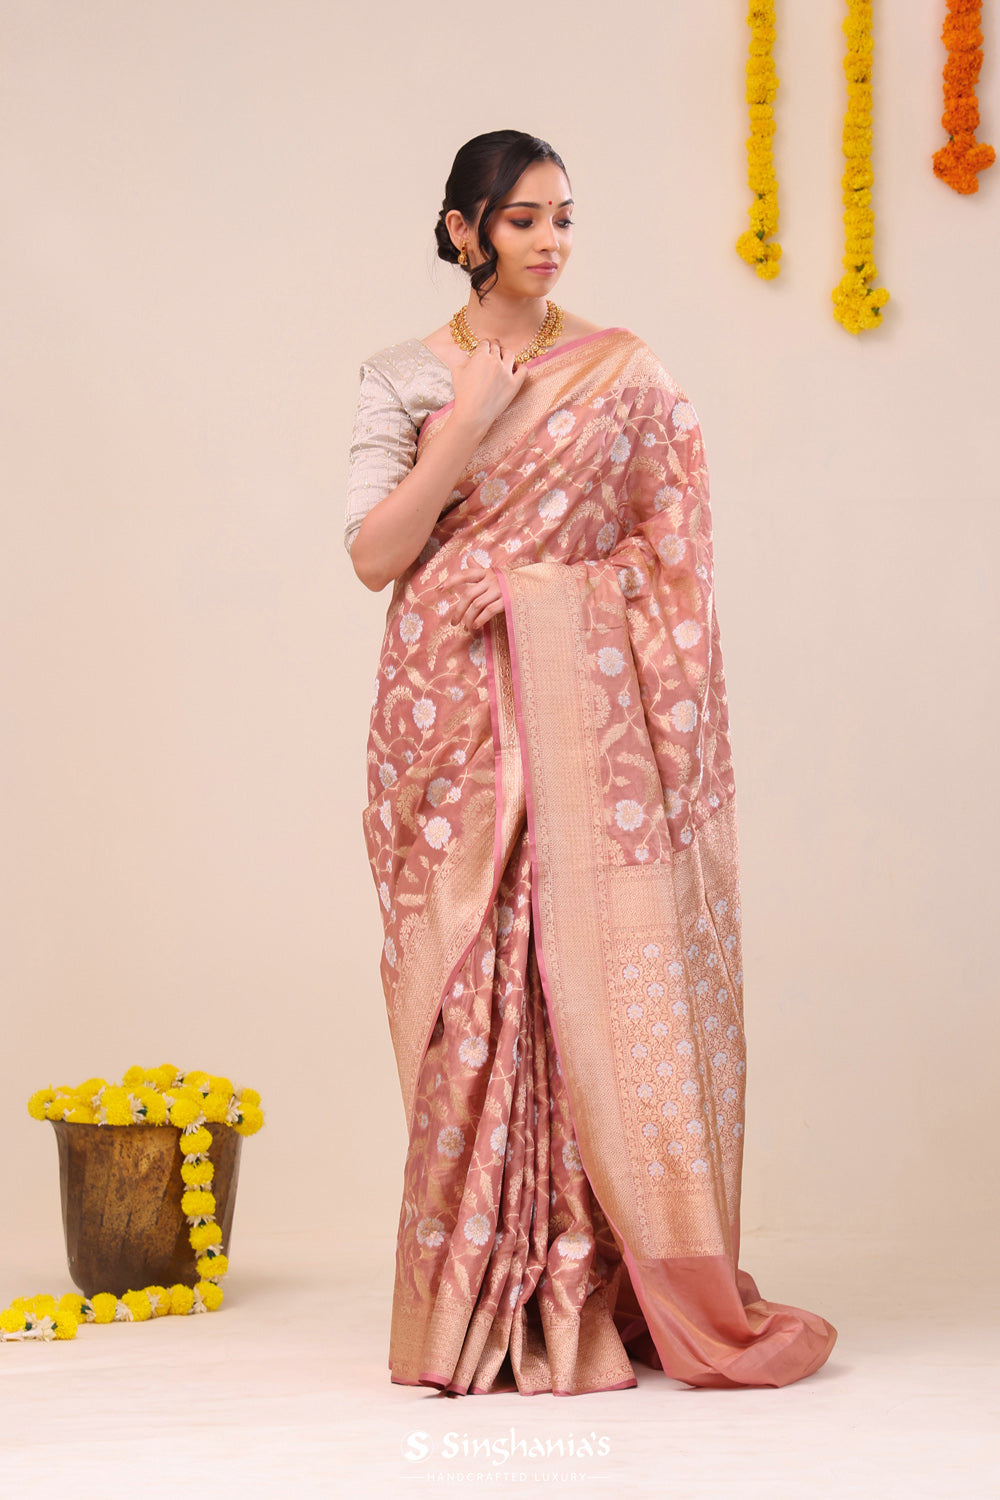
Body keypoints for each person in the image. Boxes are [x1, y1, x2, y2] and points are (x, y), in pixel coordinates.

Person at [345, 129, 838, 1395]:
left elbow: (674, 560)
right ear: (462, 231)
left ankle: (588, 1287)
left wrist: (545, 599)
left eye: (562, 215)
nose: (549, 240)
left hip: (579, 722)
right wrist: (466, 422)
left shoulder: (625, 374)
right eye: (521, 218)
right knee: (469, 1001)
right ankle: (475, 1300)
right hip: (447, 724)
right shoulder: (400, 376)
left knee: (581, 992)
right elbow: (374, 556)